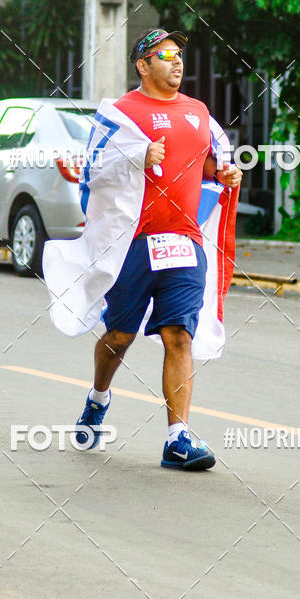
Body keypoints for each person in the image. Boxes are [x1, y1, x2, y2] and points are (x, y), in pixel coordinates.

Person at [45, 27, 241, 470]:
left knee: (179, 335)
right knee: (119, 337)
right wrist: (136, 157)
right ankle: (98, 397)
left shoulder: (198, 112)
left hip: (184, 242)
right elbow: (93, 169)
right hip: (134, 245)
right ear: (143, 64)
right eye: (165, 54)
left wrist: (224, 174)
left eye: (179, 55)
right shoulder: (120, 114)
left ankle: (178, 438)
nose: (177, 62)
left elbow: (211, 162)